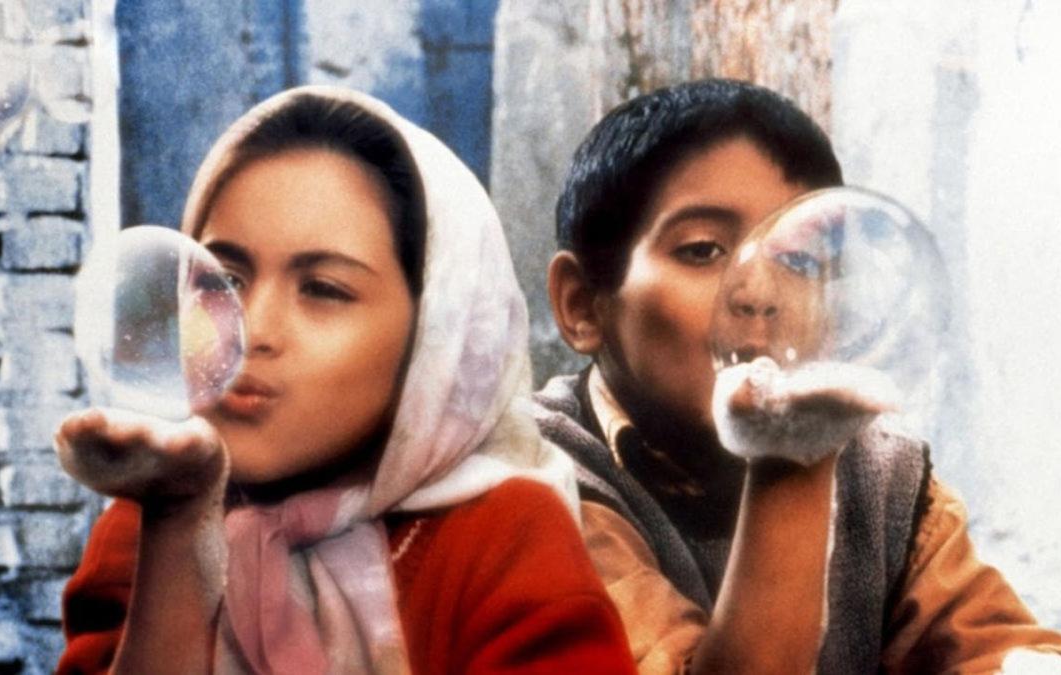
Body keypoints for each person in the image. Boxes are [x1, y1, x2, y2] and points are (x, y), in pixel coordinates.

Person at [55, 85, 636, 674]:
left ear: (434, 335)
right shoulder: (144, 530)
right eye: (221, 282)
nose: (252, 330)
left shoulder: (502, 537)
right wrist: (178, 529)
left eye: (324, 289)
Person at [536, 78, 1061, 673]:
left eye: (798, 260)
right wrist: (791, 454)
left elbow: (1008, 652)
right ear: (583, 305)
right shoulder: (535, 480)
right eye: (703, 250)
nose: (758, 293)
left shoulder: (886, 484)